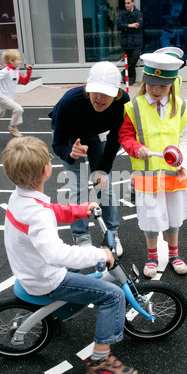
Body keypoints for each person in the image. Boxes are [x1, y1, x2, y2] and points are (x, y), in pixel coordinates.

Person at [2, 136, 138, 374]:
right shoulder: (39, 215)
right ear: (46, 170)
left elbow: (50, 210)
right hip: (47, 278)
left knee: (82, 270)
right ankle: (100, 363)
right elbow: (56, 254)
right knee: (112, 295)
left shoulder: (20, 198)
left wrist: (79, 210)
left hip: (29, 269)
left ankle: (58, 314)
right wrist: (101, 253)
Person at [119, 49, 187, 279]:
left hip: (174, 174)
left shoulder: (181, 106)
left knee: (173, 217)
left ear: (172, 83)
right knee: (151, 219)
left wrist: (184, 162)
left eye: (162, 86)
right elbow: (125, 136)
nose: (155, 89)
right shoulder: (134, 106)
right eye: (151, 83)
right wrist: (135, 148)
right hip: (147, 176)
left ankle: (174, 254)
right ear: (145, 80)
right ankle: (152, 256)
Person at [51, 61, 130, 256]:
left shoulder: (123, 101)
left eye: (107, 93)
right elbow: (58, 141)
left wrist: (102, 170)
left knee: (104, 184)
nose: (100, 98)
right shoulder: (69, 100)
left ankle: (112, 234)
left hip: (95, 135)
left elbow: (115, 139)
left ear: (117, 93)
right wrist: (70, 152)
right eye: (95, 91)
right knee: (77, 187)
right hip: (70, 138)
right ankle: (81, 237)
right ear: (87, 88)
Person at [117, 0, 143, 85]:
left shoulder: (138, 13)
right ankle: (130, 79)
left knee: (134, 58)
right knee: (128, 60)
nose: (126, 5)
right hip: (126, 42)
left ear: (132, 3)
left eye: (128, 3)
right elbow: (119, 25)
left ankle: (124, 72)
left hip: (136, 42)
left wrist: (126, 27)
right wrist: (130, 26)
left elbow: (138, 28)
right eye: (125, 3)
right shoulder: (122, 13)